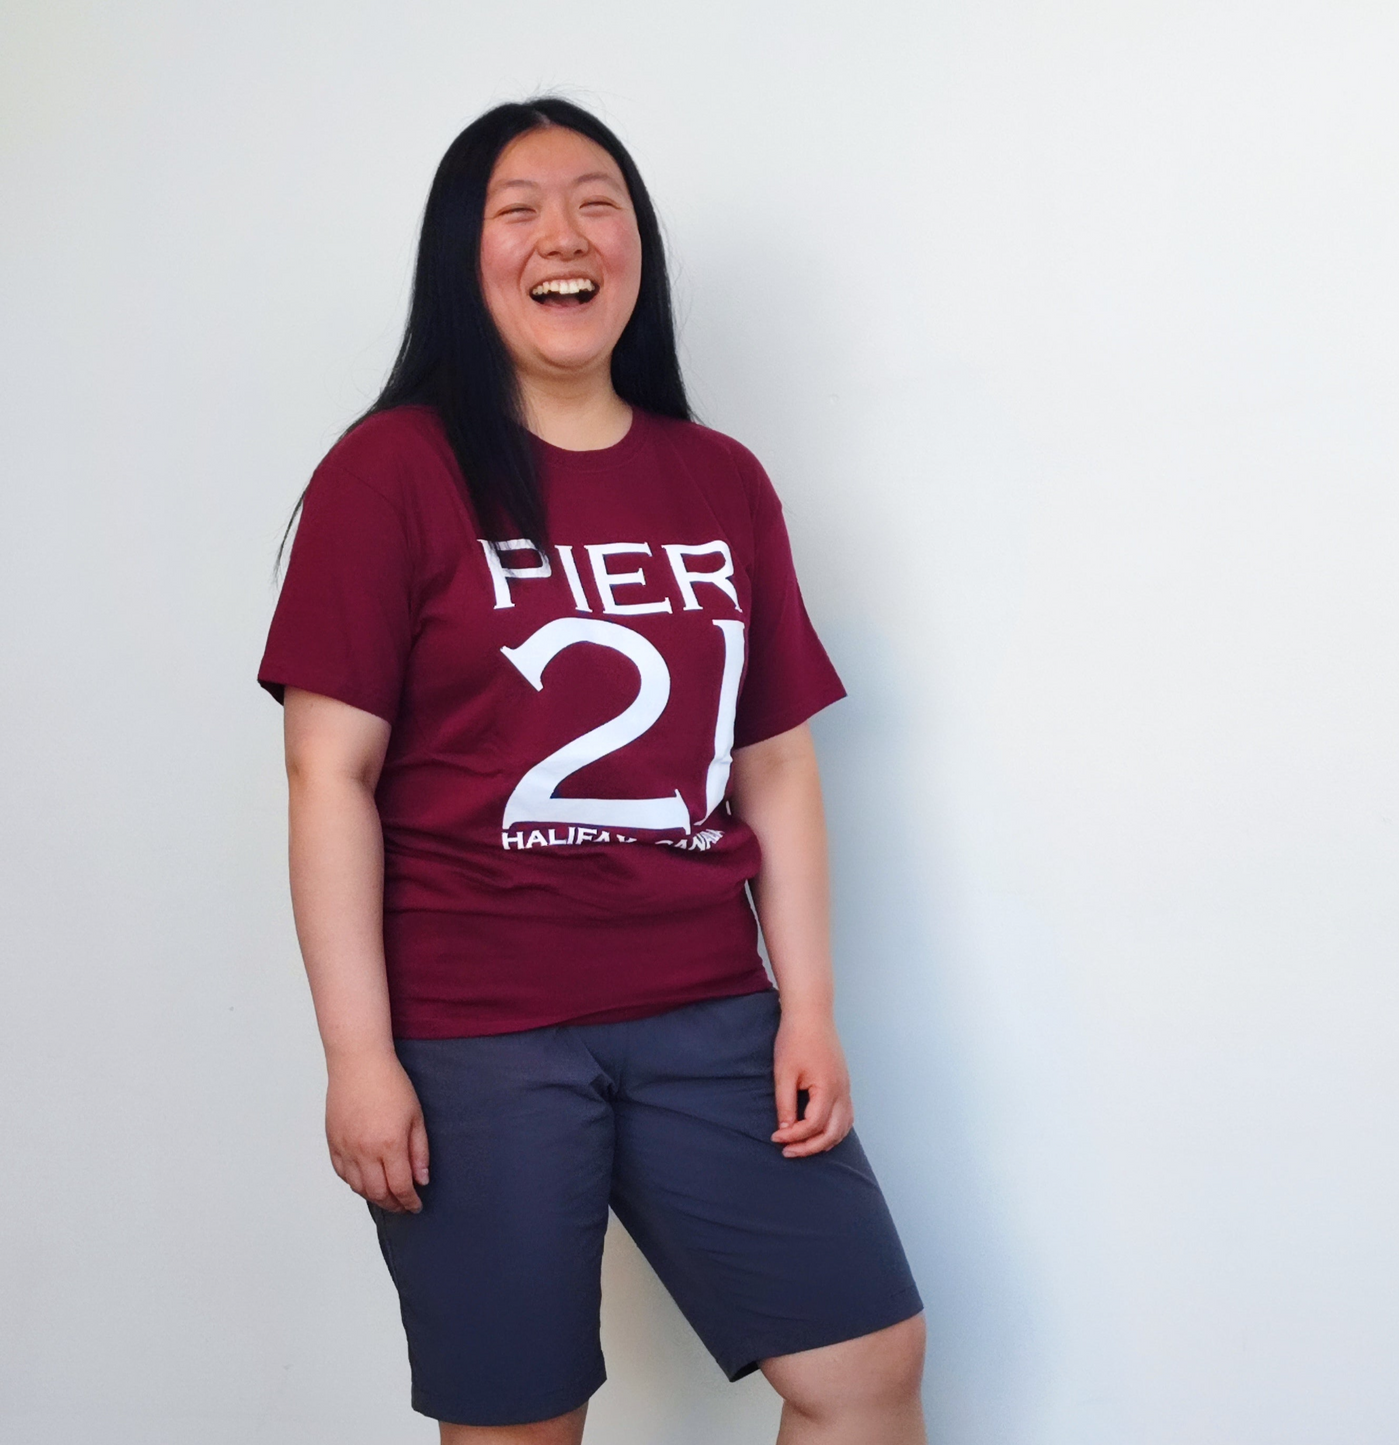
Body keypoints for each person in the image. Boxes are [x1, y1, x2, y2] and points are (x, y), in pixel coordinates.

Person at [258, 97, 927, 1445]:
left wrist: (808, 1010)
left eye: (598, 202)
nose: (564, 234)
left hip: (709, 1017)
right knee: (521, 1426)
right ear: (467, 255)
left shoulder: (720, 479)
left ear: (637, 251)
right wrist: (358, 1057)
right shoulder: (389, 474)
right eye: (518, 210)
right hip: (476, 1036)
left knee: (866, 1373)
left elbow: (776, 768)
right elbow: (328, 773)